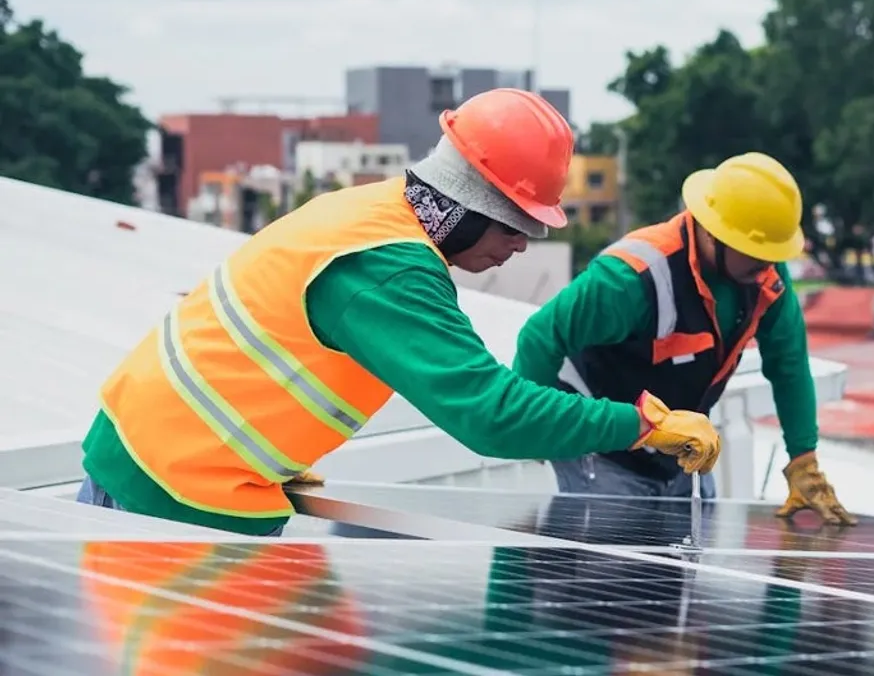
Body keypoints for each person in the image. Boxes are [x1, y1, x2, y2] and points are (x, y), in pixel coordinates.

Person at [73, 88, 721, 537]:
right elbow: (488, 416)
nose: (522, 244)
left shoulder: (369, 211)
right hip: (173, 487)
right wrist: (639, 424)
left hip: (156, 455)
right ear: (474, 202)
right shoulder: (389, 268)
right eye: (518, 224)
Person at [512, 152, 855, 525]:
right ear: (714, 233)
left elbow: (788, 364)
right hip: (604, 450)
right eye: (757, 254)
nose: (768, 266)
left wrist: (803, 459)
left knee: (680, 569)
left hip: (681, 450)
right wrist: (535, 428)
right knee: (615, 567)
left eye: (773, 255)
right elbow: (540, 337)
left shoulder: (764, 277)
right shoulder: (631, 277)